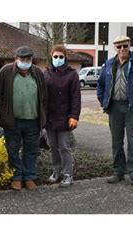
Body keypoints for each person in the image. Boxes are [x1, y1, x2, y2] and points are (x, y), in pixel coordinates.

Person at [97, 35, 133, 189]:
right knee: (116, 142)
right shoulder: (108, 64)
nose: (122, 49)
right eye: (119, 46)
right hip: (114, 108)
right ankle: (118, 172)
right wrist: (104, 102)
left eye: (125, 46)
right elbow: (101, 85)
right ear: (115, 48)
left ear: (129, 46)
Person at [0, 46, 48, 191]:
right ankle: (17, 177)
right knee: (13, 149)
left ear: (31, 59)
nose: (25, 61)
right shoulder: (5, 72)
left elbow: (44, 96)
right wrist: (3, 114)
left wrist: (43, 114)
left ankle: (29, 177)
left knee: (31, 150)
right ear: (16, 59)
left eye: (28, 59)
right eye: (22, 59)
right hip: (12, 120)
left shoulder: (37, 72)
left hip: (33, 120)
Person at [44, 45, 81, 187]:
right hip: (49, 119)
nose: (58, 59)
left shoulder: (72, 75)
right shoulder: (45, 74)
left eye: (61, 57)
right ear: (51, 57)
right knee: (53, 147)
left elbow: (76, 98)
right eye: (55, 56)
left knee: (65, 147)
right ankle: (56, 172)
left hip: (65, 118)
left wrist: (74, 116)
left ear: (65, 57)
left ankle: (68, 175)